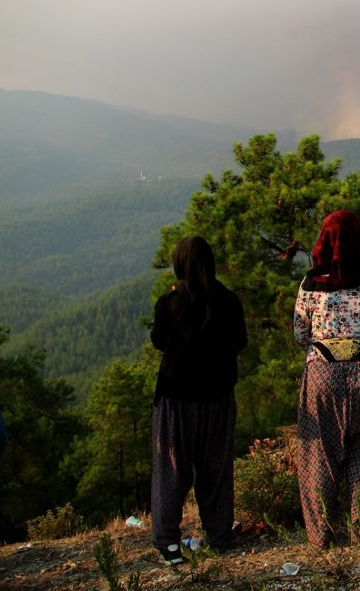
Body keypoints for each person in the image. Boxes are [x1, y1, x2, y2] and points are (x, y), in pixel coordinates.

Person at [293, 210, 360, 546]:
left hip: (322, 374)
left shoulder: (310, 285)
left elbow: (301, 335)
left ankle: (321, 534)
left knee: (319, 455)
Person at [150, 236, 248, 565]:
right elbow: (239, 345)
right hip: (218, 395)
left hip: (176, 397)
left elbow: (159, 342)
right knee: (216, 469)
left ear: (180, 264)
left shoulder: (169, 303)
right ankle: (219, 538)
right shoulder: (229, 301)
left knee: (171, 469)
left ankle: (168, 544)